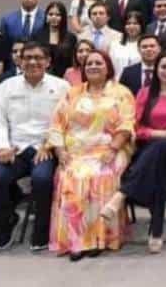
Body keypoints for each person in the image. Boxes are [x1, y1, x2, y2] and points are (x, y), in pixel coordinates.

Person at [105, 52, 166, 253]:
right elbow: (137, 129)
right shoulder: (144, 93)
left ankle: (122, 194)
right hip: (153, 148)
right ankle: (155, 231)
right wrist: (164, 134)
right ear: (156, 70)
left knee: (157, 153)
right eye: (163, 67)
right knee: (157, 161)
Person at [48, 50, 135, 260]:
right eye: (89, 63)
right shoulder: (73, 93)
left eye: (98, 63)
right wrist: (60, 152)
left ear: (108, 67)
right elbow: (56, 125)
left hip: (110, 149)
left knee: (99, 176)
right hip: (76, 152)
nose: (93, 66)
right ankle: (76, 240)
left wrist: (113, 149)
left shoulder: (121, 92)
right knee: (72, 176)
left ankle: (99, 238)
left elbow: (127, 124)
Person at [0, 43, 69, 251]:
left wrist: (49, 145)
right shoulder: (7, 86)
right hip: (16, 149)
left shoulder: (62, 87)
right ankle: (7, 222)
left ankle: (42, 229)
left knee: (42, 179)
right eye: (27, 57)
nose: (32, 62)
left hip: (45, 148)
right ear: (19, 61)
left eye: (38, 58)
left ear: (48, 62)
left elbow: (65, 122)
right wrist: (3, 147)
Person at [42, 1, 77, 78]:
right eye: (50, 14)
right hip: (42, 77)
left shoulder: (71, 38)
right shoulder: (37, 36)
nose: (54, 17)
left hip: (64, 77)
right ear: (46, 16)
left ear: (63, 17)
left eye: (58, 15)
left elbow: (73, 61)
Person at [109, 11, 145, 75]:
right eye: (128, 23)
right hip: (117, 82)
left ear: (141, 26)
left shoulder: (145, 46)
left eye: (135, 23)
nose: (131, 26)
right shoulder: (114, 45)